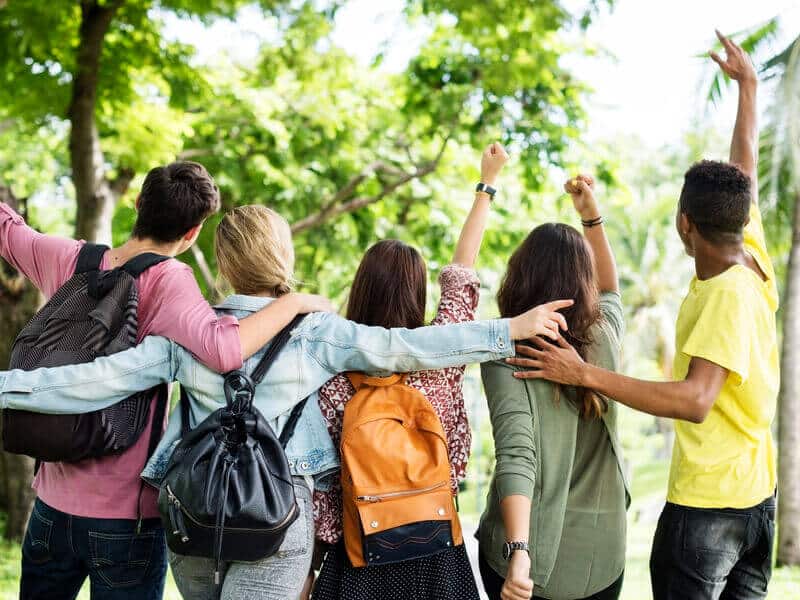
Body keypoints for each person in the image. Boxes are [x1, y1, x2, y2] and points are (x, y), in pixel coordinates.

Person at [0, 179, 572, 599]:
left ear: (221, 263)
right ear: (285, 258)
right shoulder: (317, 331)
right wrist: (508, 331)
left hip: (192, 518)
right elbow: (410, 347)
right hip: (278, 520)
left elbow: (88, 382)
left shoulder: (187, 331)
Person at [508, 32, 776, 600]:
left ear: (685, 225)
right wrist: (749, 89)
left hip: (710, 511)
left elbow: (695, 400)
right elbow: (743, 169)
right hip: (757, 500)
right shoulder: (750, 252)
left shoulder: (727, 294)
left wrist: (581, 373)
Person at [0, 161, 327, 600]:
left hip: (50, 511)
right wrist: (295, 303)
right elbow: (224, 350)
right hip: (125, 520)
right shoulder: (171, 281)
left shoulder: (68, 259)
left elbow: (8, 229)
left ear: (137, 204)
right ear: (193, 234)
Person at [311, 142, 510, 600]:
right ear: (417, 293)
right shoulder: (440, 359)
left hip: (360, 553)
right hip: (436, 549)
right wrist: (487, 183)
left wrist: (312, 568)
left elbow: (323, 489)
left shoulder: (333, 371)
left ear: (360, 290)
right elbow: (462, 274)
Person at [476, 174, 628, 600]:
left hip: (529, 561)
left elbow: (516, 455)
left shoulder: (508, 350)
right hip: (602, 559)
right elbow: (611, 289)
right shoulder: (604, 336)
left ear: (520, 274)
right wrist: (591, 217)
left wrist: (519, 551)